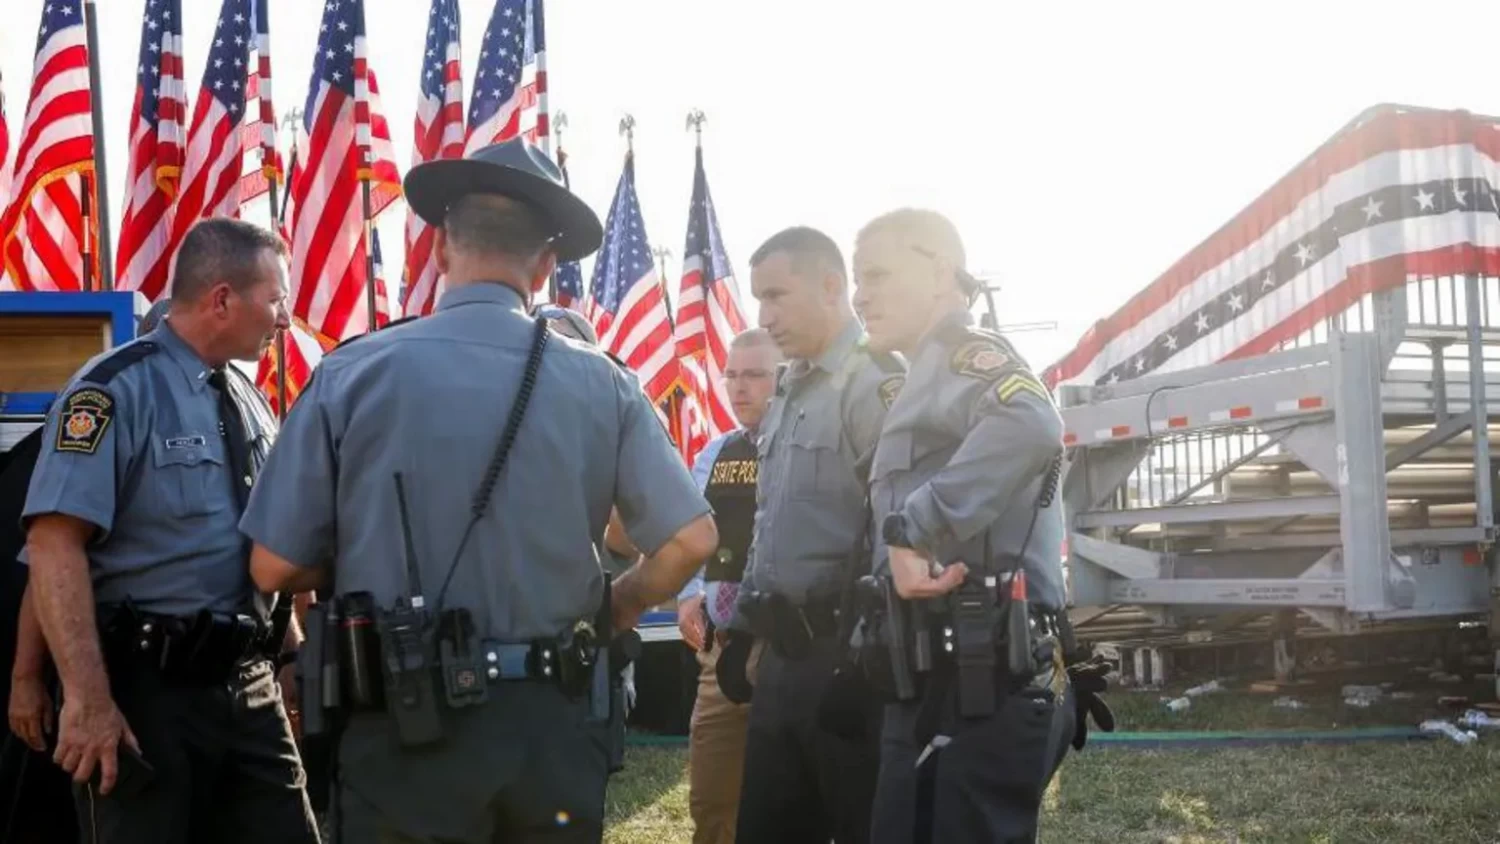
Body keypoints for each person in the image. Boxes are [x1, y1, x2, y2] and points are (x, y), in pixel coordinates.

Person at [239, 137, 719, 844]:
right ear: (548, 266)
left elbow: (272, 566)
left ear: (438, 250)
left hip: (404, 722)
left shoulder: (352, 374)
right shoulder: (604, 382)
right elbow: (691, 540)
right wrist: (622, 605)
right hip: (555, 723)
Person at [18, 218, 317, 843]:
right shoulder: (111, 390)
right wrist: (86, 699)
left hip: (249, 690)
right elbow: (53, 546)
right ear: (223, 300)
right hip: (143, 697)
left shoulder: (251, 399)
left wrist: (288, 655)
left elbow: (251, 546)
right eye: (277, 299)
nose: (285, 319)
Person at [851, 209, 1104, 844]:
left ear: (939, 271)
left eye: (877, 274)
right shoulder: (922, 377)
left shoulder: (966, 357)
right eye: (857, 279)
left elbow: (1033, 424)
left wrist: (915, 530)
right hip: (937, 673)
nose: (861, 295)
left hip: (982, 674)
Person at [722, 226, 904, 844]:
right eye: (757, 300)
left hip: (847, 661)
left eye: (776, 296)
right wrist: (743, 627)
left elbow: (897, 526)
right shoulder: (790, 390)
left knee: (860, 825)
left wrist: (869, 655)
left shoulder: (872, 382)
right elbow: (769, 522)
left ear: (832, 287)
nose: (764, 317)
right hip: (781, 660)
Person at [675, 327, 781, 844]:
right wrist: (687, 594)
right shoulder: (714, 453)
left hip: (793, 649)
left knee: (794, 801)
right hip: (723, 652)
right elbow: (699, 537)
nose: (740, 388)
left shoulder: (816, 447)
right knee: (712, 801)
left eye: (756, 375)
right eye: (733, 375)